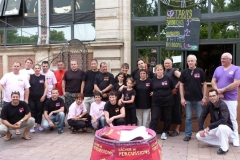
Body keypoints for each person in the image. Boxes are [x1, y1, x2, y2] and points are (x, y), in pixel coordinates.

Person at [211, 52, 240, 147]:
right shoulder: (218, 69)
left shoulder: (236, 69)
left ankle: (235, 138)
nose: (222, 60)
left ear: (230, 60)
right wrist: (217, 91)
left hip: (231, 99)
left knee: (232, 118)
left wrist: (223, 90)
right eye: (221, 58)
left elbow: (236, 83)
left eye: (224, 58)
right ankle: (222, 138)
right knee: (220, 118)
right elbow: (213, 81)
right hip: (219, 98)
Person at [179, 54, 207, 142]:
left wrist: (204, 97)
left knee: (200, 117)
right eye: (189, 61)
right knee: (188, 118)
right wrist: (182, 98)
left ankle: (201, 134)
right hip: (188, 100)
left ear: (195, 62)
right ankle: (188, 135)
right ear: (187, 62)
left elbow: (205, 84)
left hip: (199, 99)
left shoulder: (200, 71)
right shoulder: (184, 72)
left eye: (192, 61)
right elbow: (181, 85)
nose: (190, 62)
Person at [196, 89, 233, 155]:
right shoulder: (209, 104)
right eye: (210, 96)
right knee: (199, 135)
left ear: (218, 96)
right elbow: (202, 116)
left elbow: (223, 120)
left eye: (214, 95)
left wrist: (210, 126)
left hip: (226, 127)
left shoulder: (223, 105)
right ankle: (222, 142)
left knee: (222, 127)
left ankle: (224, 148)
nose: (212, 98)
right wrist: (201, 129)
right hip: (215, 128)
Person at [0, 62, 30, 135]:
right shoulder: (7, 75)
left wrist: (26, 99)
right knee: (5, 117)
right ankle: (8, 133)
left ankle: (17, 129)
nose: (16, 67)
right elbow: (0, 84)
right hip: (8, 100)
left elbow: (27, 89)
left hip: (20, 101)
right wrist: (2, 91)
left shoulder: (23, 76)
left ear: (20, 67)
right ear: (12, 67)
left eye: (17, 66)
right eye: (14, 66)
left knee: (19, 116)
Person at [149, 64, 175, 140]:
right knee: (154, 118)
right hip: (156, 102)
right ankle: (152, 133)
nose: (159, 71)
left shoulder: (168, 78)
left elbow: (173, 89)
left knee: (167, 118)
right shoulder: (153, 80)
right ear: (155, 71)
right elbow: (151, 90)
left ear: (163, 70)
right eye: (158, 70)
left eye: (160, 69)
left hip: (167, 102)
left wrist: (168, 96)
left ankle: (165, 132)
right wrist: (153, 92)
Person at [164, 58, 181, 136]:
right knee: (169, 112)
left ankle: (177, 130)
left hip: (175, 95)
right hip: (168, 95)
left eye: (168, 63)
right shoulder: (164, 72)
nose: (167, 64)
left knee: (176, 111)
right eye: (165, 63)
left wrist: (176, 88)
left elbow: (181, 78)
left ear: (172, 64)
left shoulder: (174, 71)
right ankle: (167, 129)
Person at [28, 64, 48, 132]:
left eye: (38, 68)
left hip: (40, 98)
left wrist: (44, 96)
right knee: (32, 111)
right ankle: (32, 126)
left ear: (40, 69)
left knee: (39, 111)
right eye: (35, 68)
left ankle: (39, 125)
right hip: (31, 98)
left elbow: (46, 87)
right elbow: (27, 87)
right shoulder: (30, 77)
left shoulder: (43, 77)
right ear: (33, 69)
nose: (37, 69)